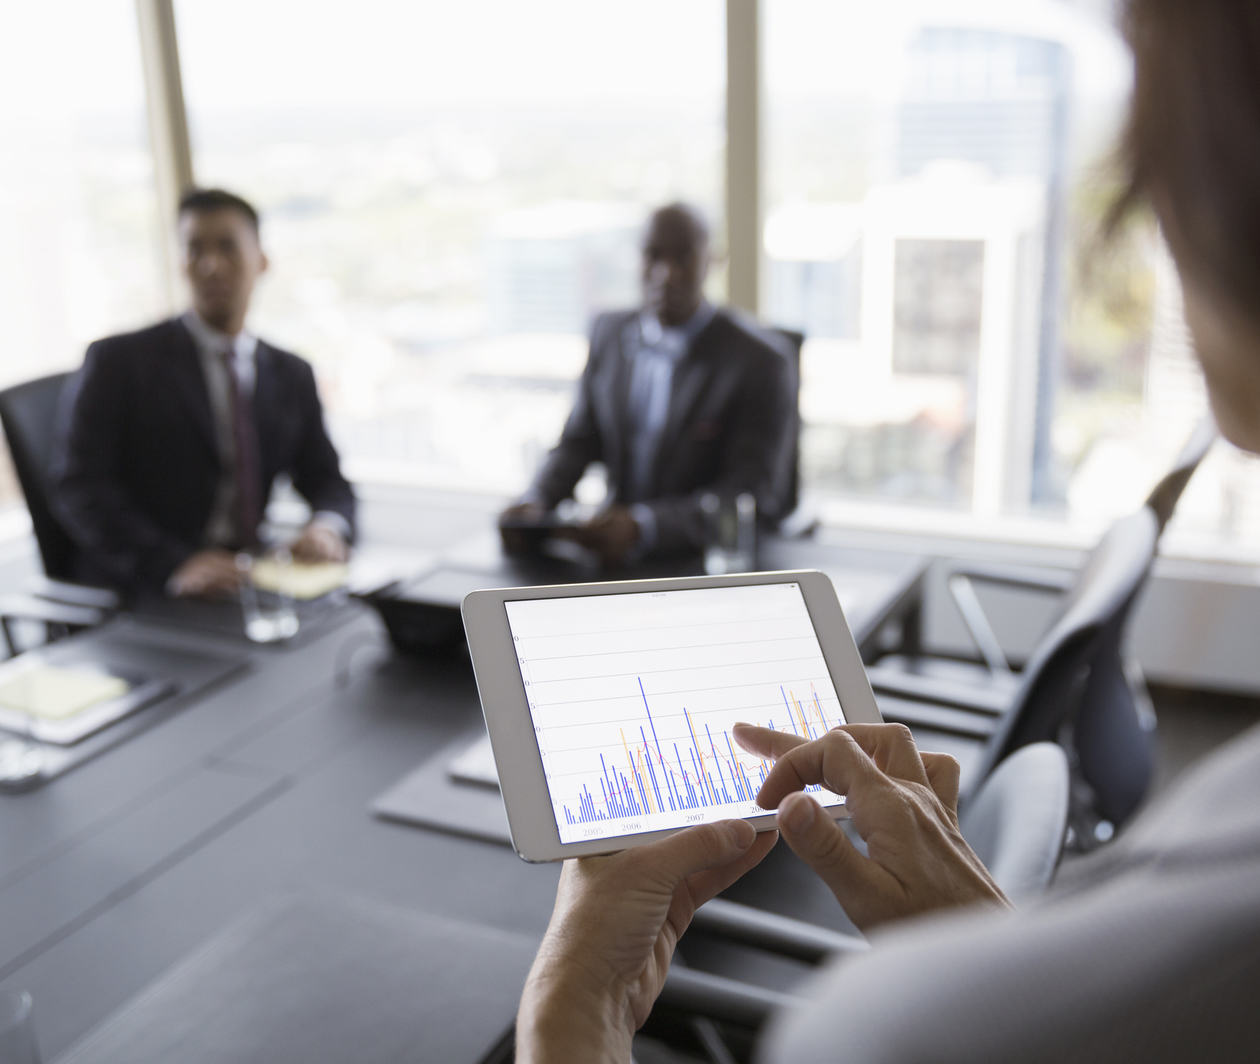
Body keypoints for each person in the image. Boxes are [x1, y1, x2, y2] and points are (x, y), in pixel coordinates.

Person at [514, 1, 1260, 1059]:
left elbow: (757, 493)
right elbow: (574, 441)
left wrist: (567, 1011)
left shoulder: (896, 1032)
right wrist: (993, 942)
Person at [52, 188, 355, 598]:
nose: (211, 266)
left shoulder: (290, 373)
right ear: (181, 263)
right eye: (195, 250)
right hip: (147, 588)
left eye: (228, 247)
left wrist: (326, 525)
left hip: (245, 577)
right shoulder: (119, 362)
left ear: (261, 261)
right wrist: (174, 564)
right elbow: (81, 488)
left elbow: (327, 479)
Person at [499, 203, 797, 566]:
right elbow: (578, 442)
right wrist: (538, 500)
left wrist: (645, 527)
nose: (665, 273)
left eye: (683, 258)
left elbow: (749, 493)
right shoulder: (607, 333)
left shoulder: (761, 363)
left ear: (713, 261)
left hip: (702, 561)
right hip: (609, 554)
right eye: (653, 256)